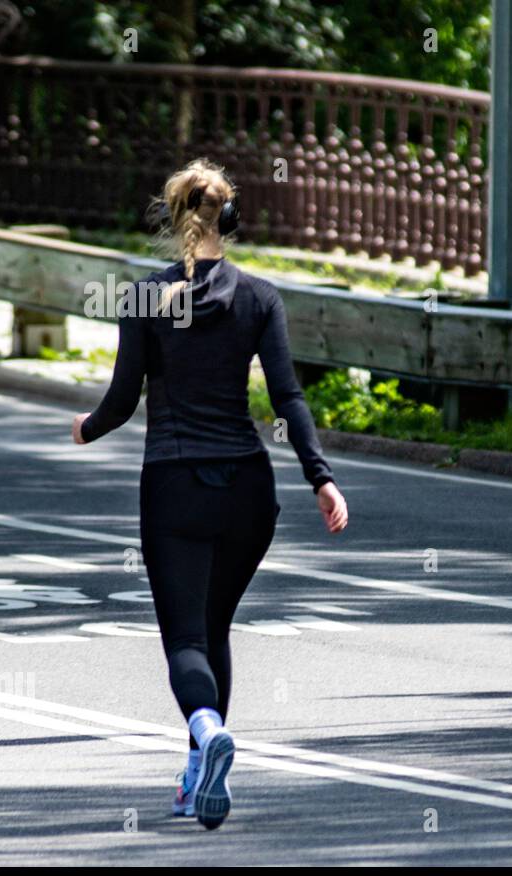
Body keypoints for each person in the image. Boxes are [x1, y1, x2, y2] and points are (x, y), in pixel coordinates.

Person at [71, 159, 349, 829]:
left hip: (176, 488)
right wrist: (322, 476)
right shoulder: (260, 298)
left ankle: (205, 728)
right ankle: (197, 769)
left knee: (185, 643)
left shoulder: (145, 298)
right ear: (230, 219)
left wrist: (86, 429)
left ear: (172, 221)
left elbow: (121, 400)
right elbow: (287, 397)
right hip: (250, 494)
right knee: (215, 626)